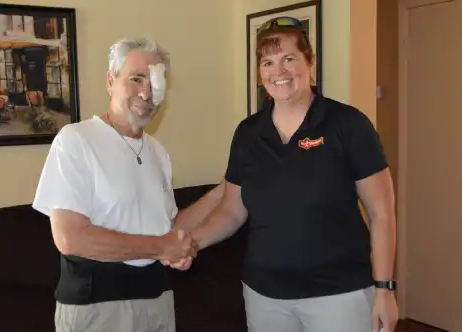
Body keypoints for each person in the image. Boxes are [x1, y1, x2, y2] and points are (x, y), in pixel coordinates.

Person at [180, 17, 398, 332]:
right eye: (267, 62)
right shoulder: (248, 133)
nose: (278, 71)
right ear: (259, 73)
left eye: (288, 58)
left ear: (311, 62)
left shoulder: (348, 125)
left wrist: (385, 289)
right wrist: (191, 243)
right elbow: (231, 210)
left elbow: (382, 214)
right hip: (264, 296)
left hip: (339, 295)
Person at [32, 37, 224, 332]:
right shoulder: (76, 140)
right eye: (136, 79)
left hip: (157, 300)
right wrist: (162, 248)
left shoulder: (158, 152)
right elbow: (71, 238)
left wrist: (225, 189)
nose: (147, 92)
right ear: (111, 81)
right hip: (96, 307)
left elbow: (168, 226)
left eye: (156, 82)